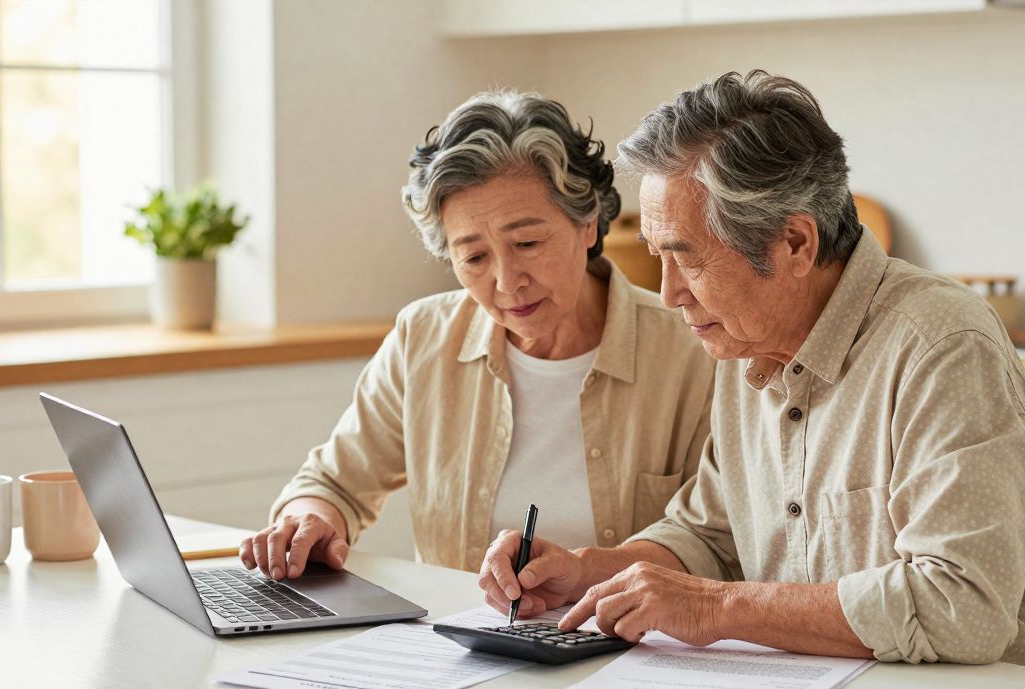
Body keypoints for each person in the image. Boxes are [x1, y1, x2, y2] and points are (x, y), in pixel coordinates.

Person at [478, 71, 1025, 678]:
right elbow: (710, 535)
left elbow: (960, 608)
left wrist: (714, 607)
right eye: (656, 258)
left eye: (687, 260)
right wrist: (591, 571)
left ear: (796, 244)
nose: (669, 295)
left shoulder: (941, 344)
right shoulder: (744, 340)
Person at [239, 90, 716, 579]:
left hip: (632, 645)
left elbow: (717, 541)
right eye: (474, 257)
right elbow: (334, 483)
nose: (508, 283)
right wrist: (306, 521)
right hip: (461, 648)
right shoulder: (422, 338)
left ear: (588, 223)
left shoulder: (692, 349)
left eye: (527, 243)